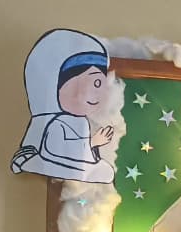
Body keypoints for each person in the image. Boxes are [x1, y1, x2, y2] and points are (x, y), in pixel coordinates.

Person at [11, 28, 116, 183]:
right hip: (58, 163)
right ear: (56, 86)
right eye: (94, 82)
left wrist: (93, 145)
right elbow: (56, 148)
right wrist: (92, 142)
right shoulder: (57, 123)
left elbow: (83, 155)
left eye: (100, 83)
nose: (96, 93)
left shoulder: (83, 122)